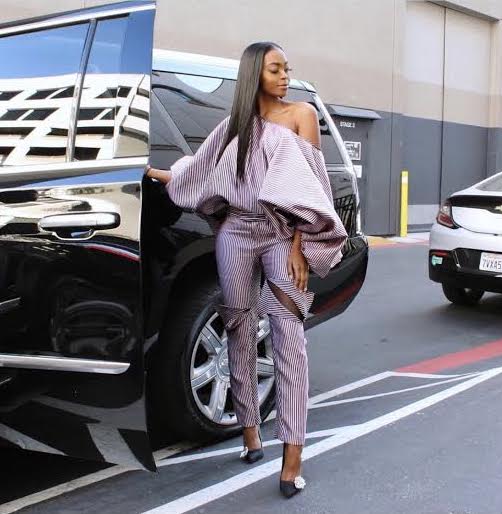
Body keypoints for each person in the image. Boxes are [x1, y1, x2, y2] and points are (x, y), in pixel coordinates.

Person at [145, 41, 347, 498]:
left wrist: (299, 247)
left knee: (288, 336)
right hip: (234, 234)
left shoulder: (301, 115)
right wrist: (148, 172)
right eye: (275, 69)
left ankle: (292, 455)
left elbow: (311, 188)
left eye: (286, 69)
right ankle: (251, 431)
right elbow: (196, 171)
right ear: (254, 74)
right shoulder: (233, 126)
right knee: (238, 325)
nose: (284, 77)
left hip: (281, 235)